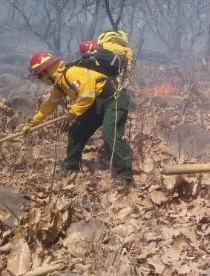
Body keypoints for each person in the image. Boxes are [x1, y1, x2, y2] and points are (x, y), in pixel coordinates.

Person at [23, 51, 133, 184]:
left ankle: (125, 175)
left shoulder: (72, 73)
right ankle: (71, 165)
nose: (40, 79)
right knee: (77, 131)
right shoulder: (60, 84)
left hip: (113, 99)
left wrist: (73, 111)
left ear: (46, 72)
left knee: (110, 134)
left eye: (39, 76)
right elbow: (49, 105)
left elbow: (87, 95)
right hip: (94, 103)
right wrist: (32, 123)